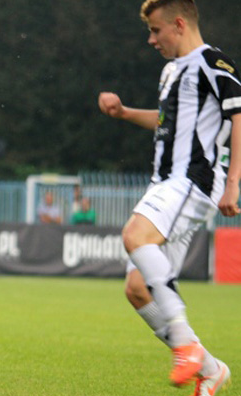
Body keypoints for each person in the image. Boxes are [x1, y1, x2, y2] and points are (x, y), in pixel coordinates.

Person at [98, 0, 240, 393]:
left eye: (156, 30)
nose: (151, 39)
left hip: (191, 180)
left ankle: (183, 341)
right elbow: (166, 122)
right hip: (166, 183)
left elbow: (238, 116)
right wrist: (124, 112)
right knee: (138, 289)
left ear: (179, 24)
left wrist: (234, 183)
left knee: (134, 236)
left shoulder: (213, 63)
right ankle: (211, 368)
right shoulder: (171, 71)